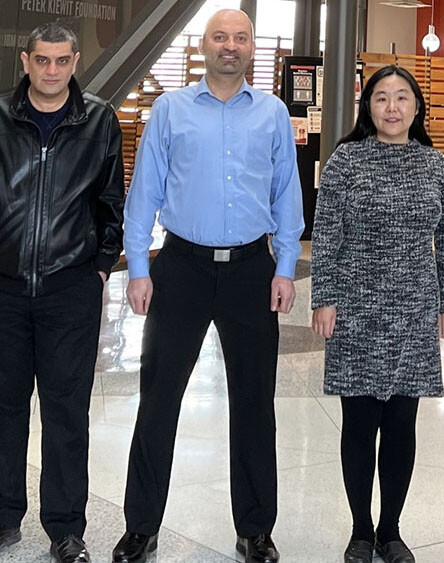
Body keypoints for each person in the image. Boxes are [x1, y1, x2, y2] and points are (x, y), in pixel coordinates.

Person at [113, 9, 303, 563]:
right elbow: (142, 192)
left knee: (253, 404)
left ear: (251, 49)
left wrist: (285, 265)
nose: (230, 46)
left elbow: (287, 196)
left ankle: (256, 530)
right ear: (202, 46)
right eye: (220, 37)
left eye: (240, 38)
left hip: (251, 271)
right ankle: (140, 527)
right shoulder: (170, 110)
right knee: (159, 400)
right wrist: (140, 270)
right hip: (181, 269)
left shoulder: (271, 114)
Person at [0, 21, 124, 563]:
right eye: (41, 60)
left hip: (70, 290)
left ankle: (66, 529)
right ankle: (1, 521)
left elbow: (110, 203)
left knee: (67, 410)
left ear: (74, 63)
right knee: (4, 406)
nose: (51, 71)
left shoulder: (99, 120)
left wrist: (100, 267)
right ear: (25, 62)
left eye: (62, 61)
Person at [310, 65, 444, 563]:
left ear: (417, 107)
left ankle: (390, 531)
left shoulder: (434, 164)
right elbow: (327, 234)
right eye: (381, 98)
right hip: (355, 308)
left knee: (402, 423)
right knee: (358, 423)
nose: (392, 107)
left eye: (402, 98)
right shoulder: (345, 161)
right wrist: (324, 298)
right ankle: (359, 531)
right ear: (367, 106)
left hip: (415, 307)